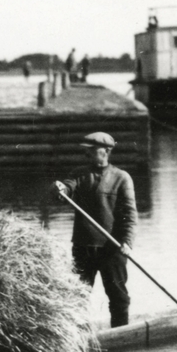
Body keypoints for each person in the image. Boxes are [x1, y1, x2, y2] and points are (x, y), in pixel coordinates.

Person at [54, 131, 136, 327]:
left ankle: (120, 334)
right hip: (83, 247)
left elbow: (130, 215)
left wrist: (127, 242)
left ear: (106, 151)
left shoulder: (122, 178)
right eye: (86, 150)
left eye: (92, 150)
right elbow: (67, 188)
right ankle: (75, 337)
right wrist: (59, 189)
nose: (87, 154)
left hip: (112, 249)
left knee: (118, 297)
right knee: (77, 297)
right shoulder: (79, 175)